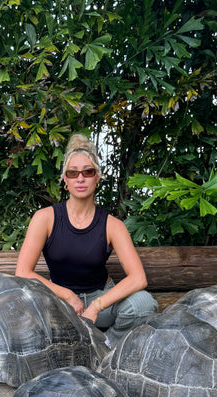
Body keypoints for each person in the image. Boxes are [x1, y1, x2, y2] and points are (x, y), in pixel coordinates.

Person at [15, 133, 158, 347]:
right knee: (22, 305)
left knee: (144, 304)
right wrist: (67, 295)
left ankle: (106, 345)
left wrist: (97, 305)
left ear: (97, 177)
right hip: (60, 303)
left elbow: (139, 278)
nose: (80, 178)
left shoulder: (112, 225)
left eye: (88, 172)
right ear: (65, 179)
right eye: (73, 173)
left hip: (101, 302)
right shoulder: (45, 218)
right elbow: (23, 272)